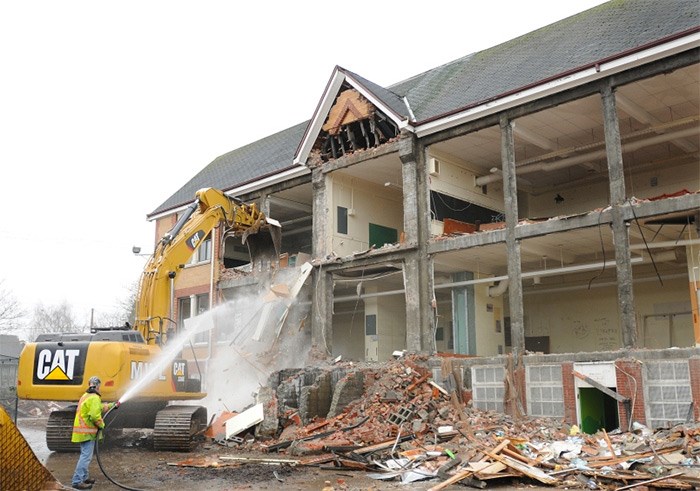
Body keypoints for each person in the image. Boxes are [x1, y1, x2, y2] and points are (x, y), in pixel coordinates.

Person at [70, 375, 116, 490]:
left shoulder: (86, 396)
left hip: (82, 432)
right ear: (99, 386)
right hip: (87, 432)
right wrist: (102, 425)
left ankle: (84, 477)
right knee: (85, 457)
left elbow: (97, 407)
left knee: (85, 455)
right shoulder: (95, 397)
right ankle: (77, 481)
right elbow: (95, 415)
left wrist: (111, 406)